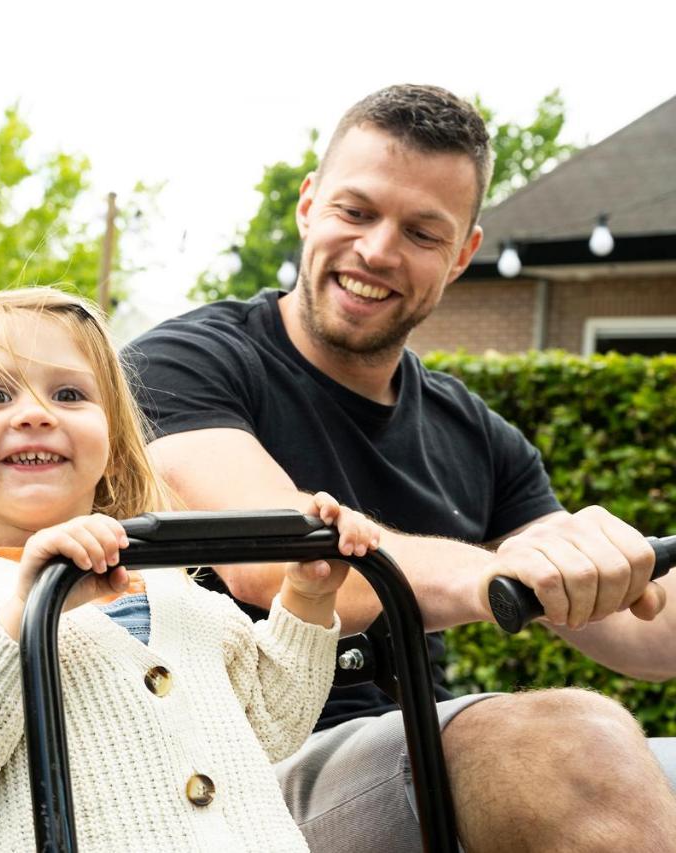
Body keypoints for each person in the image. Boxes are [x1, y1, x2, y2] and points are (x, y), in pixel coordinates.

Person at [124, 83, 676, 852]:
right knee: (577, 747)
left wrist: (606, 567)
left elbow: (651, 633)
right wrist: (501, 572)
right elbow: (276, 565)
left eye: (422, 232)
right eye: (356, 211)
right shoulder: (184, 365)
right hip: (226, 772)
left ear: (462, 256)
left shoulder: (477, 434)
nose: (378, 250)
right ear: (309, 205)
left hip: (408, 749)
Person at [0, 287, 380, 852]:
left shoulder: (180, 593)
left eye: (69, 393)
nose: (35, 413)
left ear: (111, 448)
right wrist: (22, 616)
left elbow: (270, 727)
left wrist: (306, 596)